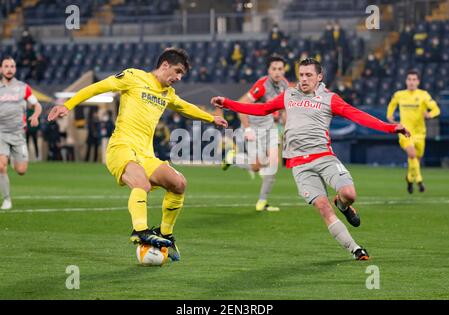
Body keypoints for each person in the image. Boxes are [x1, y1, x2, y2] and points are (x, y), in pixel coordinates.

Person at [211, 58, 410, 260]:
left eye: (309, 75)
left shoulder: (330, 98)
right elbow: (262, 109)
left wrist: (391, 127)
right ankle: (355, 249)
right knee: (323, 207)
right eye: (301, 75)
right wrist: (228, 103)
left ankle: (342, 205)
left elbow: (358, 116)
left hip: (324, 156)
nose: (304, 79)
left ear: (319, 77)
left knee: (349, 194)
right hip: (299, 163)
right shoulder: (288, 94)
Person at [48, 48, 228, 261]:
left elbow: (184, 107)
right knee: (141, 184)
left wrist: (210, 118)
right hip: (121, 148)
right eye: (177, 71)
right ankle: (140, 231)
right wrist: (67, 105)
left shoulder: (167, 93)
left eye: (182, 75)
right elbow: (98, 87)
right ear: (164, 65)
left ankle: (165, 233)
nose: (179, 78)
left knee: (179, 183)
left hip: (146, 154)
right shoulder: (133, 77)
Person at [221, 55, 290, 212]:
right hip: (253, 126)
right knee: (256, 166)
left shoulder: (285, 85)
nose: (277, 72)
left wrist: (286, 130)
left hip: (269, 126)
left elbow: (284, 109)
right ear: (268, 70)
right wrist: (247, 129)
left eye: (280, 69)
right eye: (274, 69)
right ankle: (233, 158)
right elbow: (241, 104)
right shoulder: (262, 85)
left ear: (284, 70)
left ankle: (262, 202)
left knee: (273, 164)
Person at [387, 70, 440, 193]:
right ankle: (420, 182)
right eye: (409, 79)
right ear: (406, 81)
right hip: (405, 132)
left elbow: (436, 109)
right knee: (412, 154)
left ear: (418, 81)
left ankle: (410, 179)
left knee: (416, 159)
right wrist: (389, 116)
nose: (411, 82)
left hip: (420, 133)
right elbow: (391, 105)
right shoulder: (399, 94)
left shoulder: (423, 95)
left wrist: (430, 115)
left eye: (414, 79)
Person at [0, 56, 42, 210]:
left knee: (21, 171)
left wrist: (36, 115)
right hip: (1, 133)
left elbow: (37, 105)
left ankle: (12, 158)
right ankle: (7, 199)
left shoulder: (23, 87)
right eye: (6, 66)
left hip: (18, 134)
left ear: (15, 69)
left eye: (12, 66)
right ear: (1, 69)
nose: (9, 69)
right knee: (1, 166)